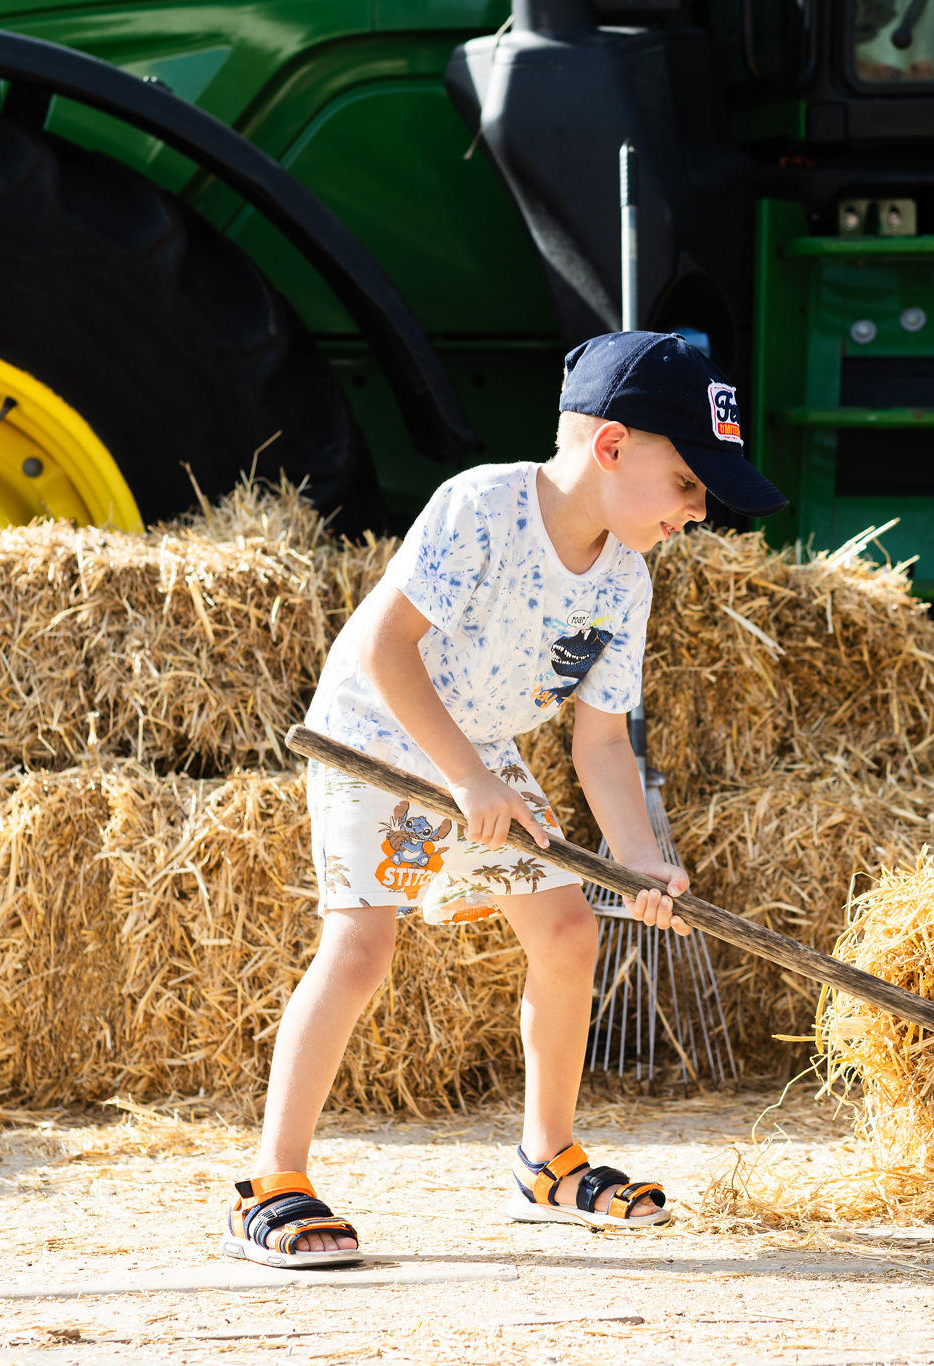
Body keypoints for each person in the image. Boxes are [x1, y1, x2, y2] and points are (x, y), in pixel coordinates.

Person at [219, 331, 788, 1269]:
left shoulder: (627, 579)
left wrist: (638, 857)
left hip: (479, 748)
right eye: (689, 482)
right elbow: (385, 649)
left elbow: (601, 741)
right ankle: (272, 1182)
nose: (698, 510)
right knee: (361, 949)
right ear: (612, 447)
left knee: (568, 930)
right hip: (374, 734)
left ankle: (547, 1162)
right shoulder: (482, 507)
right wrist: (466, 781)